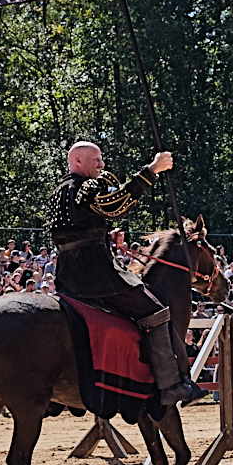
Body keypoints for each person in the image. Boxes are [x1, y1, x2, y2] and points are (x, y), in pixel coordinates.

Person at [45, 140, 204, 406]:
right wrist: (153, 169)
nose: (101, 164)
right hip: (97, 276)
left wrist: (103, 236)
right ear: (78, 161)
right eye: (95, 160)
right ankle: (171, 385)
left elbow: (75, 230)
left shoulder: (61, 193)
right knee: (156, 310)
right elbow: (116, 204)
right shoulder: (84, 186)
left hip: (68, 275)